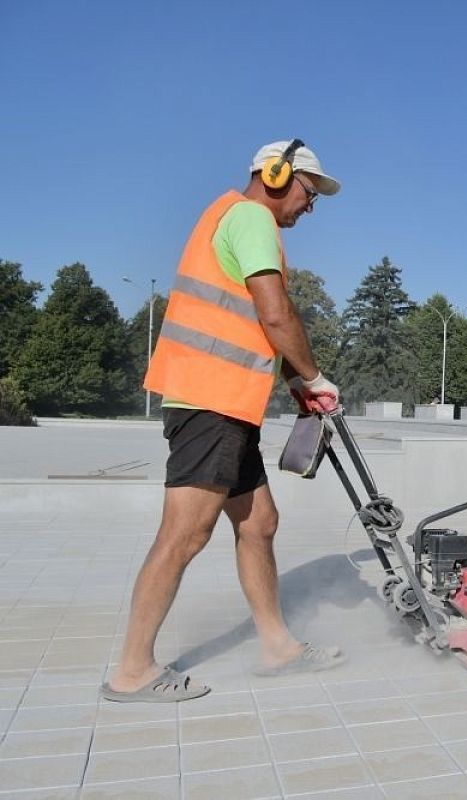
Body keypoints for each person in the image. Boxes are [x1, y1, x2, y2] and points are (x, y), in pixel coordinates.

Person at [101, 140, 346, 702]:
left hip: (229, 404)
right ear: (277, 175)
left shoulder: (237, 219)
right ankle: (133, 671)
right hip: (208, 401)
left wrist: (290, 383)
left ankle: (278, 647)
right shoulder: (253, 218)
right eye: (310, 192)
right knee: (185, 534)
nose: (311, 206)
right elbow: (274, 311)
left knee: (259, 523)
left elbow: (256, 324)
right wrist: (312, 376)